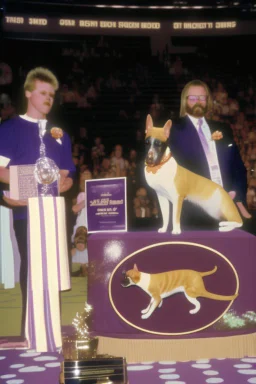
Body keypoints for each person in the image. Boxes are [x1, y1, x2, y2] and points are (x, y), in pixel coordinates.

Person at [0, 67, 76, 343]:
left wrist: (64, 184)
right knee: (31, 269)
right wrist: (21, 188)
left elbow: (67, 174)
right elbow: (0, 169)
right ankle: (29, 333)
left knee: (55, 269)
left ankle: (52, 331)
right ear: (29, 93)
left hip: (55, 213)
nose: (48, 98)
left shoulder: (60, 134)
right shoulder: (9, 129)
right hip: (26, 211)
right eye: (43, 93)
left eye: (52, 95)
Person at [170, 79, 252, 231]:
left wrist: (235, 192)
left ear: (208, 100)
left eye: (202, 98)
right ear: (184, 100)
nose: (198, 102)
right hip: (194, 214)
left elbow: (238, 168)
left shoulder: (223, 128)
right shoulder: (173, 130)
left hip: (228, 207)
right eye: (193, 98)